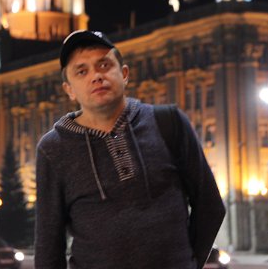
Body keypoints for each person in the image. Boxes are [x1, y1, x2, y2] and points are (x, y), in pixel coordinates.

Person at [34, 30, 226, 269]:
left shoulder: (169, 122)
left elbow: (210, 206)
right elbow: (48, 244)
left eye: (104, 65)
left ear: (124, 74)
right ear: (69, 89)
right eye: (82, 71)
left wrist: (188, 263)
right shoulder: (53, 149)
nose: (96, 76)